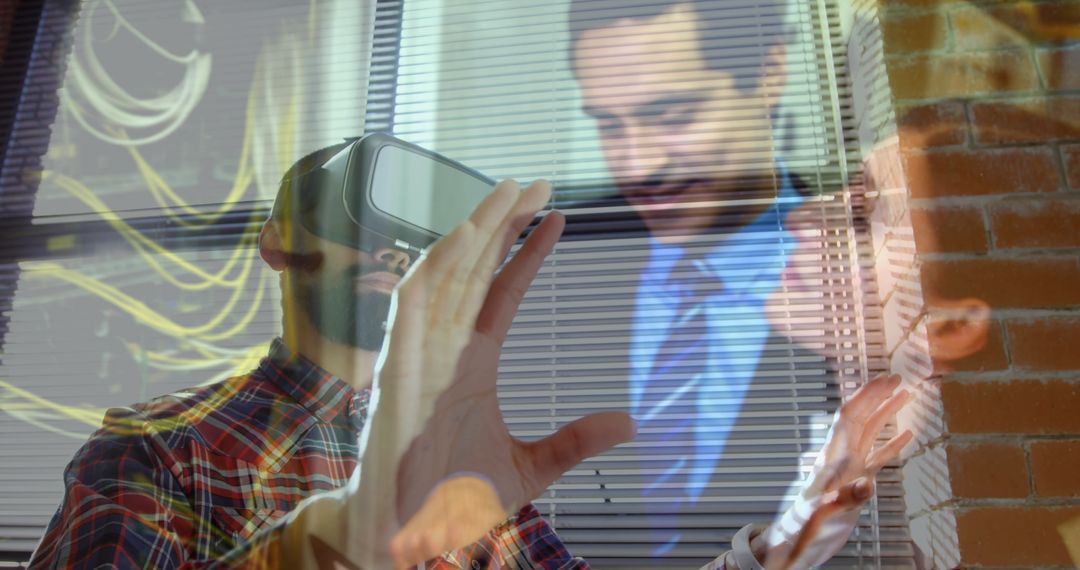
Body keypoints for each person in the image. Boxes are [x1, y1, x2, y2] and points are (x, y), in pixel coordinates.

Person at [29, 134, 909, 569]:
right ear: (276, 240)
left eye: (411, 226)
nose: (386, 246)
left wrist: (798, 531)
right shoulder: (157, 452)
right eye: (352, 211)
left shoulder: (476, 478)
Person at [564, 0, 847, 562]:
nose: (639, 166)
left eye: (672, 115)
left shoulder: (858, 273)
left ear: (770, 73)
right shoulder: (553, 271)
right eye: (608, 123)